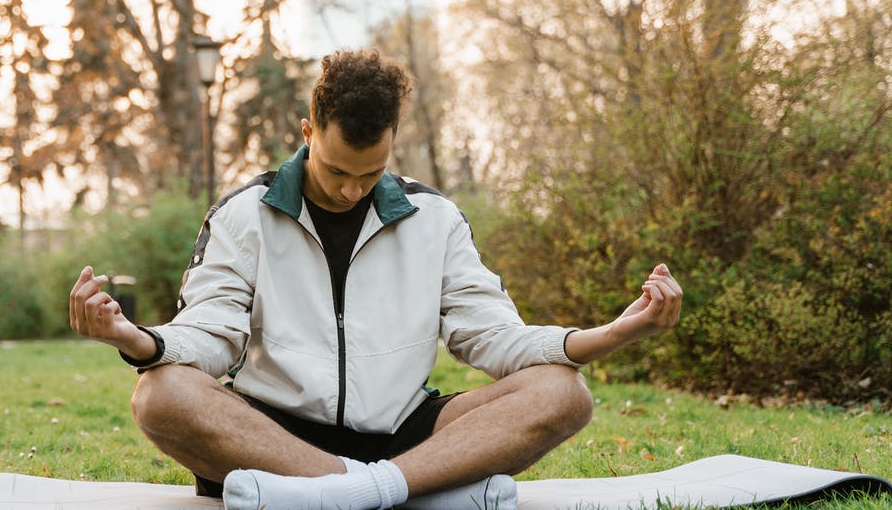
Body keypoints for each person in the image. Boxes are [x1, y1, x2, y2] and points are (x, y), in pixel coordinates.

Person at [68, 49, 683, 510]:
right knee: (160, 393)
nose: (350, 189)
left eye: (371, 172)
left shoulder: (435, 219)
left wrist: (603, 337)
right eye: (336, 170)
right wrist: (139, 341)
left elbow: (492, 335)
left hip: (406, 434)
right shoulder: (244, 214)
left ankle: (350, 494)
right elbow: (212, 332)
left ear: (392, 144)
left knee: (562, 393)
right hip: (273, 435)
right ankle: (398, 493)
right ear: (308, 132)